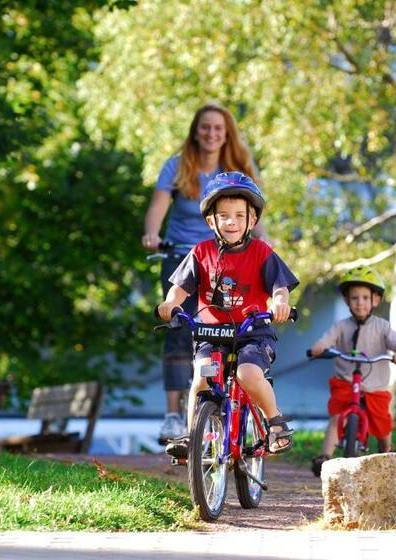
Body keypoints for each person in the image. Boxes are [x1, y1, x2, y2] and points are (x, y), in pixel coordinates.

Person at [156, 172, 299, 458]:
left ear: (252, 220)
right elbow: (179, 289)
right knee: (201, 378)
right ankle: (191, 438)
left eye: (238, 215)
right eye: (223, 216)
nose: (231, 221)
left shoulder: (261, 252)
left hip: (252, 332)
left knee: (247, 373)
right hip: (212, 333)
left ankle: (274, 422)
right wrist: (170, 303)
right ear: (212, 221)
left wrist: (280, 304)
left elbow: (280, 289)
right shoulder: (200, 252)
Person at [142, 104, 261, 443]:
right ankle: (173, 415)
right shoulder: (177, 166)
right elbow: (157, 208)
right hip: (182, 258)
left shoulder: (238, 169)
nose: (211, 134)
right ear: (196, 131)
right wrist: (151, 234)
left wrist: (263, 246)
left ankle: (230, 400)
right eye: (205, 127)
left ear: (226, 135)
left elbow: (255, 215)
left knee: (230, 325)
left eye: (218, 129)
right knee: (178, 328)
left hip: (227, 261)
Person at [307, 266, 396, 476]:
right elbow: (326, 339)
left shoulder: (382, 326)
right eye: (354, 298)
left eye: (365, 297)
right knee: (336, 417)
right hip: (345, 381)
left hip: (374, 385)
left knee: (382, 423)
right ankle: (324, 457)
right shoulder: (341, 326)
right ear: (346, 300)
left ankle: (387, 451)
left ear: (376, 300)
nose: (360, 302)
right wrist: (319, 348)